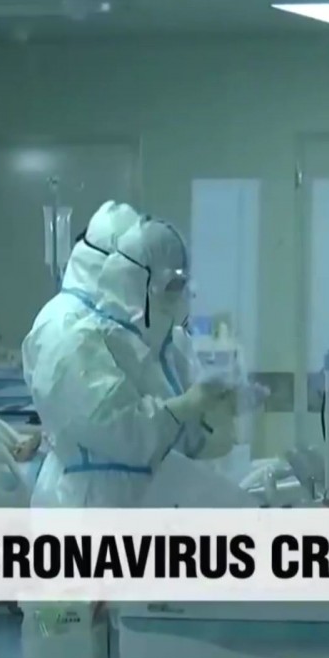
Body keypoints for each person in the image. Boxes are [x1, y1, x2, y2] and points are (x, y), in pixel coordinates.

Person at [29, 217, 240, 509]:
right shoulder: (76, 341)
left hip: (146, 504)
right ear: (137, 280)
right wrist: (188, 405)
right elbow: (119, 432)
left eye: (182, 285)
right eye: (171, 285)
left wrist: (215, 414)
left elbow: (178, 442)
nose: (178, 297)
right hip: (90, 506)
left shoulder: (158, 346)